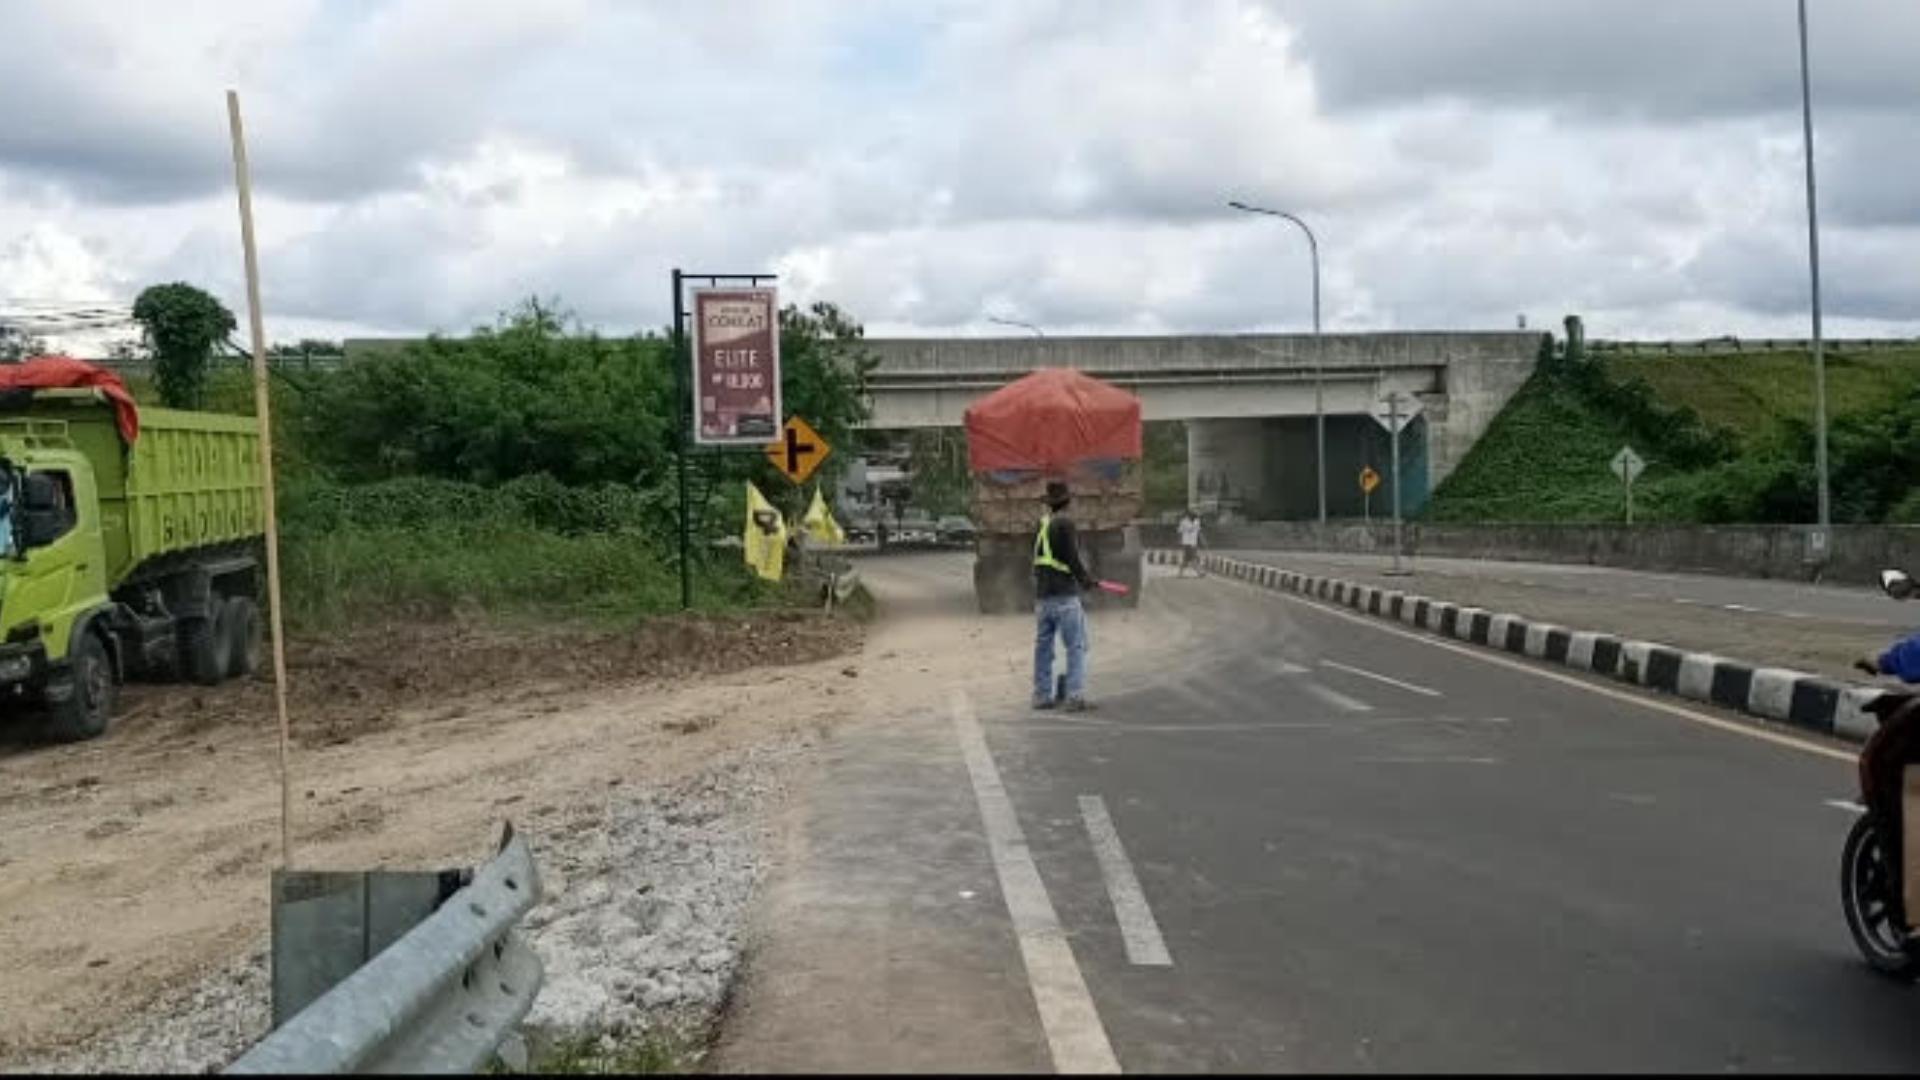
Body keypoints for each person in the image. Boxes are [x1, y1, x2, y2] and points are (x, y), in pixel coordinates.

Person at [1033, 480, 1099, 712]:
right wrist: (1086, 581)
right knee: (1076, 646)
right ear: (1068, 502)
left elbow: (1041, 560)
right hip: (1064, 596)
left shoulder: (1042, 524)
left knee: (1043, 647)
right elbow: (1073, 559)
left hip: (1042, 598)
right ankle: (1074, 696)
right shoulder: (1066, 524)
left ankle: (1041, 695)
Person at [1177, 510, 1205, 578]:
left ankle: (1180, 573)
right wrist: (1180, 540)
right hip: (1187, 543)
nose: (1195, 518)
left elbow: (1199, 531)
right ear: (1189, 516)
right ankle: (1199, 572)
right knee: (1193, 558)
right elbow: (1179, 531)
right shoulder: (1184, 522)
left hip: (1194, 542)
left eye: (1195, 517)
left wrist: (1202, 540)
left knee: (1186, 559)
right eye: (1193, 516)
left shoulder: (1197, 521)